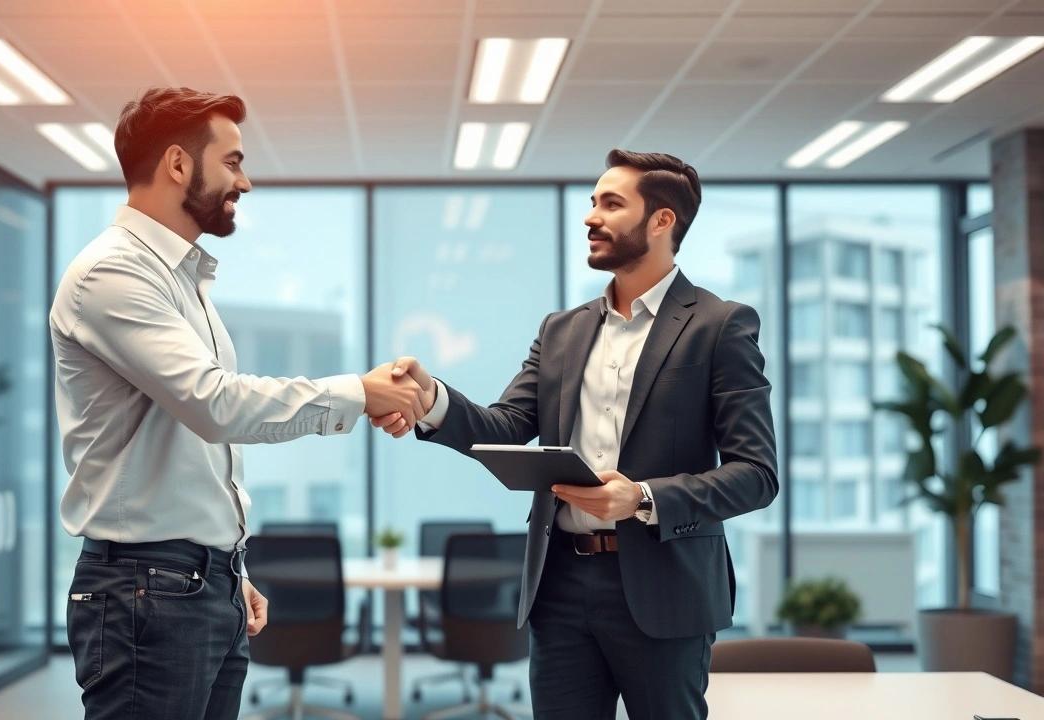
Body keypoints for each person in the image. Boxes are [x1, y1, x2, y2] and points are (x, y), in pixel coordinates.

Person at [49, 87, 427, 720]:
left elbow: (195, 448)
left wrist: (229, 567)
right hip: (149, 589)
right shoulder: (112, 273)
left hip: (194, 585)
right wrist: (357, 393)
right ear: (177, 164)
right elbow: (215, 405)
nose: (244, 182)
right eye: (232, 162)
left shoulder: (182, 280)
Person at [372, 150, 779, 719]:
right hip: (559, 583)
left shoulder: (720, 326)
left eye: (612, 204)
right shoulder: (561, 330)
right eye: (592, 202)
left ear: (662, 221)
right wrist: (431, 399)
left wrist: (641, 498)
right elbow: (507, 426)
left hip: (664, 586)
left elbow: (756, 474)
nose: (591, 217)